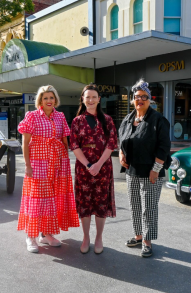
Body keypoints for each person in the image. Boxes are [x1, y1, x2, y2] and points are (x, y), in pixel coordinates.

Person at [17, 85, 80, 253]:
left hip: (57, 163)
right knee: (36, 199)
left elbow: (64, 140)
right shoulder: (31, 116)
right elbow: (25, 143)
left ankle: (46, 235)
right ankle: (30, 236)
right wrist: (27, 165)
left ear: (55, 99)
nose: (49, 101)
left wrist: (65, 163)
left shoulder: (60, 117)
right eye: (45, 98)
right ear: (40, 100)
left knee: (52, 200)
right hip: (38, 163)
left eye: (51, 98)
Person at [118, 79, 171, 258]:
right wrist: (121, 153)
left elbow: (164, 147)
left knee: (148, 207)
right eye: (136, 97)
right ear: (132, 99)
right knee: (134, 205)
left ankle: (147, 242)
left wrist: (156, 169)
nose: (140, 100)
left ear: (150, 99)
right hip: (132, 170)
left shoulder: (158, 119)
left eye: (144, 97)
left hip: (151, 171)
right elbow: (122, 139)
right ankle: (138, 236)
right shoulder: (129, 118)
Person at [70, 84, 118, 254]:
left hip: (103, 168)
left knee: (100, 203)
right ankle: (85, 237)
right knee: (85, 203)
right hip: (83, 169)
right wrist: (89, 165)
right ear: (82, 99)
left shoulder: (108, 120)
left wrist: (98, 164)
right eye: (87, 97)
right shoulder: (77, 121)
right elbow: (74, 145)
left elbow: (111, 144)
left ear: (99, 99)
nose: (90, 100)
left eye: (94, 97)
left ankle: (98, 237)